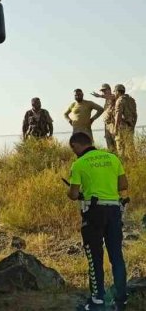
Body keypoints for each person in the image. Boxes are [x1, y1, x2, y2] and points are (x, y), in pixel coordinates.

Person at [67, 132, 128, 310]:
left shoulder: (79, 164)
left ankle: (97, 300)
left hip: (94, 213)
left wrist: (76, 193)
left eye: (73, 149)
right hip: (114, 210)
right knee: (117, 256)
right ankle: (121, 299)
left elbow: (73, 194)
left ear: (76, 146)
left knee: (94, 257)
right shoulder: (112, 158)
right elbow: (123, 185)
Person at [113, 84, 138, 159]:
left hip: (122, 126)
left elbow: (118, 115)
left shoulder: (120, 100)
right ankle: (134, 164)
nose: (114, 94)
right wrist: (133, 125)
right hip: (130, 126)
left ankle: (123, 165)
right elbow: (135, 114)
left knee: (120, 147)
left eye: (115, 92)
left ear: (118, 91)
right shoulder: (131, 100)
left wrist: (115, 128)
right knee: (130, 146)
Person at [91, 84, 117, 152]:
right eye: (102, 91)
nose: (103, 92)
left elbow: (112, 97)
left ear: (109, 90)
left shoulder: (114, 96)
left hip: (113, 124)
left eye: (105, 90)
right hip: (107, 125)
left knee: (115, 143)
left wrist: (100, 96)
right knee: (109, 145)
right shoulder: (107, 100)